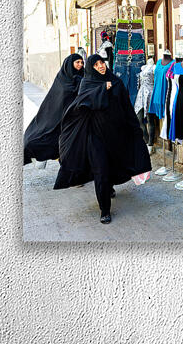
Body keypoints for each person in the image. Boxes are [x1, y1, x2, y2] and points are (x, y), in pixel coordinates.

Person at [54, 54, 152, 223]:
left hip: (116, 135)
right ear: (90, 68)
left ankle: (109, 186)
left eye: (102, 63)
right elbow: (82, 103)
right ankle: (104, 209)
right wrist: (101, 89)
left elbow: (126, 108)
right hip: (95, 136)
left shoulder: (116, 82)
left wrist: (136, 130)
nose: (101, 66)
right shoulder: (87, 84)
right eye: (96, 64)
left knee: (113, 165)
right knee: (100, 170)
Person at [24, 54, 84, 165]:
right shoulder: (62, 79)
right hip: (57, 119)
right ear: (70, 64)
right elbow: (54, 101)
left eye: (82, 62)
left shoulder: (83, 78)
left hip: (75, 120)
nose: (80, 65)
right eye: (77, 62)